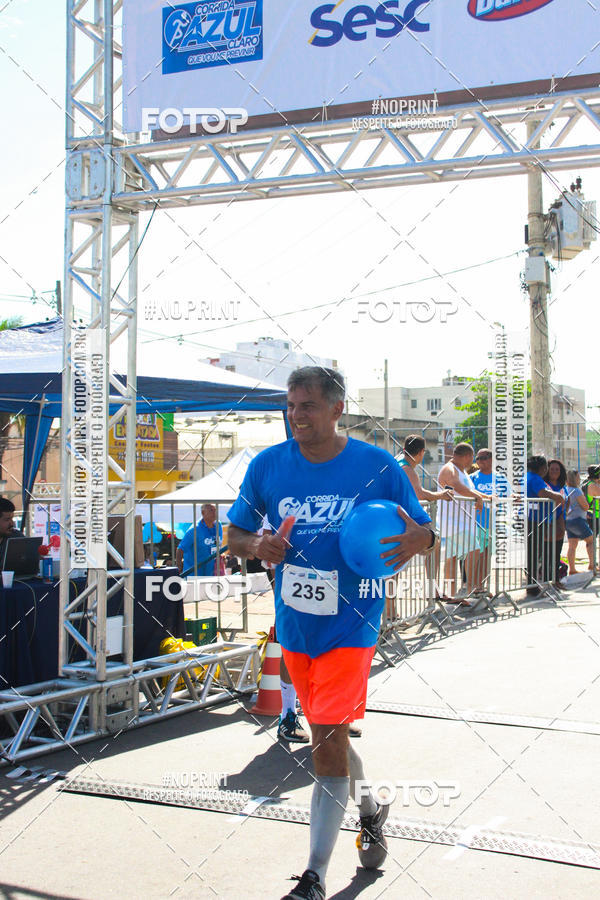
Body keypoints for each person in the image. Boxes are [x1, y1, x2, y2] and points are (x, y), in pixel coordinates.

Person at [227, 366, 436, 900]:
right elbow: (235, 534)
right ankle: (371, 811)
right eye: (291, 406)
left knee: (324, 740)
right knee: (330, 732)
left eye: (308, 406)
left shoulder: (377, 465)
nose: (296, 416)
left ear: (337, 409)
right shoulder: (268, 465)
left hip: (353, 621)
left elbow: (421, 530)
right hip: (296, 625)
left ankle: (314, 876)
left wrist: (424, 540)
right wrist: (257, 548)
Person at [437, 443, 486, 599]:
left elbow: (469, 490)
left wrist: (484, 497)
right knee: (474, 549)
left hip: (461, 522)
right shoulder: (449, 469)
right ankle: (468, 588)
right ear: (467, 456)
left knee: (452, 557)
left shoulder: (461, 470)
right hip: (452, 522)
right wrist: (477, 497)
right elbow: (455, 485)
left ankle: (453, 594)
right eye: (472, 458)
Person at [526, 456, 564, 595]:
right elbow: (543, 493)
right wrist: (559, 497)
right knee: (535, 553)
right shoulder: (535, 479)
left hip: (534, 519)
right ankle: (532, 585)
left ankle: (533, 583)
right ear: (542, 468)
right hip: (535, 520)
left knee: (534, 553)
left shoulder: (527, 476)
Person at [398, 435, 454, 503]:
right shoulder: (408, 471)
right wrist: (442, 495)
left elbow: (418, 491)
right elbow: (420, 495)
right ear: (421, 452)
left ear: (404, 450)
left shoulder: (398, 461)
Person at [176, 504, 223, 577]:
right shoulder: (194, 530)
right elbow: (180, 548)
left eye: (215, 510)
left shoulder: (218, 525)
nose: (215, 513)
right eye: (211, 510)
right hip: (195, 574)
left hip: (212, 572)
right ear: (203, 513)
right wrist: (179, 566)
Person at [565, 470, 595, 574]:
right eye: (578, 477)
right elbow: (585, 506)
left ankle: (572, 569)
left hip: (568, 521)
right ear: (575, 478)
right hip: (578, 520)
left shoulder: (565, 490)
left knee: (572, 545)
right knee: (591, 540)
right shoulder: (576, 491)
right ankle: (592, 565)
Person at [546, 459, 568, 590]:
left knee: (556, 553)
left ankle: (555, 580)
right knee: (547, 553)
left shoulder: (562, 486)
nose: (554, 472)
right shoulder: (545, 485)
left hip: (560, 524)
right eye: (552, 469)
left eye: (557, 469)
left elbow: (566, 501)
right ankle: (547, 580)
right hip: (547, 523)